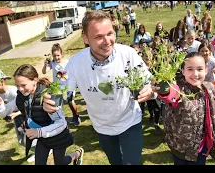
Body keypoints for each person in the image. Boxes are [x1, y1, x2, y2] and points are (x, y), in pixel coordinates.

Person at [42, 10, 156, 165]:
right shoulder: (75, 64)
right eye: (98, 37)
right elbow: (61, 90)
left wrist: (150, 89)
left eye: (110, 33)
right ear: (85, 38)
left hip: (130, 122)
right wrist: (49, 101)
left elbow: (150, 82)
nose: (107, 41)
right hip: (102, 128)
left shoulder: (128, 54)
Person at [0, 64, 83, 165]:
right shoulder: (22, 96)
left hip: (57, 136)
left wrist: (38, 132)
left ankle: (78, 154)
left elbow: (61, 123)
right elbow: (5, 111)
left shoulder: (48, 95)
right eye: (17, 86)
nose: (20, 89)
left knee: (60, 162)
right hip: (43, 138)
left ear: (35, 80)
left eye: (23, 85)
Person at [156, 52, 215, 165]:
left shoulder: (209, 89)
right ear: (183, 71)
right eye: (190, 69)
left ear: (206, 70)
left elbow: (213, 115)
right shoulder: (178, 89)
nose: (195, 74)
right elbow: (169, 95)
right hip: (180, 149)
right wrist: (164, 89)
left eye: (200, 69)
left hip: (201, 148)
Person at [0, 69, 38, 163]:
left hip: (24, 117)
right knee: (22, 140)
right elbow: (1, 108)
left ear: (2, 81)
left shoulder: (14, 92)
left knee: (28, 139)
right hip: (17, 119)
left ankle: (41, 150)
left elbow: (26, 105)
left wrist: (15, 114)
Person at [42, 43, 81, 126]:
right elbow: (44, 72)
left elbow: (73, 73)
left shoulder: (67, 62)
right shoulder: (52, 63)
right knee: (56, 104)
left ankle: (76, 117)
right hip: (58, 88)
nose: (56, 58)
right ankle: (58, 120)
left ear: (62, 54)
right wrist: (45, 64)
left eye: (58, 55)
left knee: (70, 101)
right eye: (54, 56)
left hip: (68, 86)